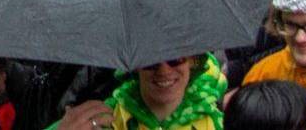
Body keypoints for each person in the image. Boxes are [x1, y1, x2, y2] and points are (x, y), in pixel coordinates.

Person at [55, 55, 228, 130]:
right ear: (135, 66)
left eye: (175, 59)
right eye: (150, 61)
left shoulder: (220, 121)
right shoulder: (103, 118)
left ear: (193, 60)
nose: (163, 70)